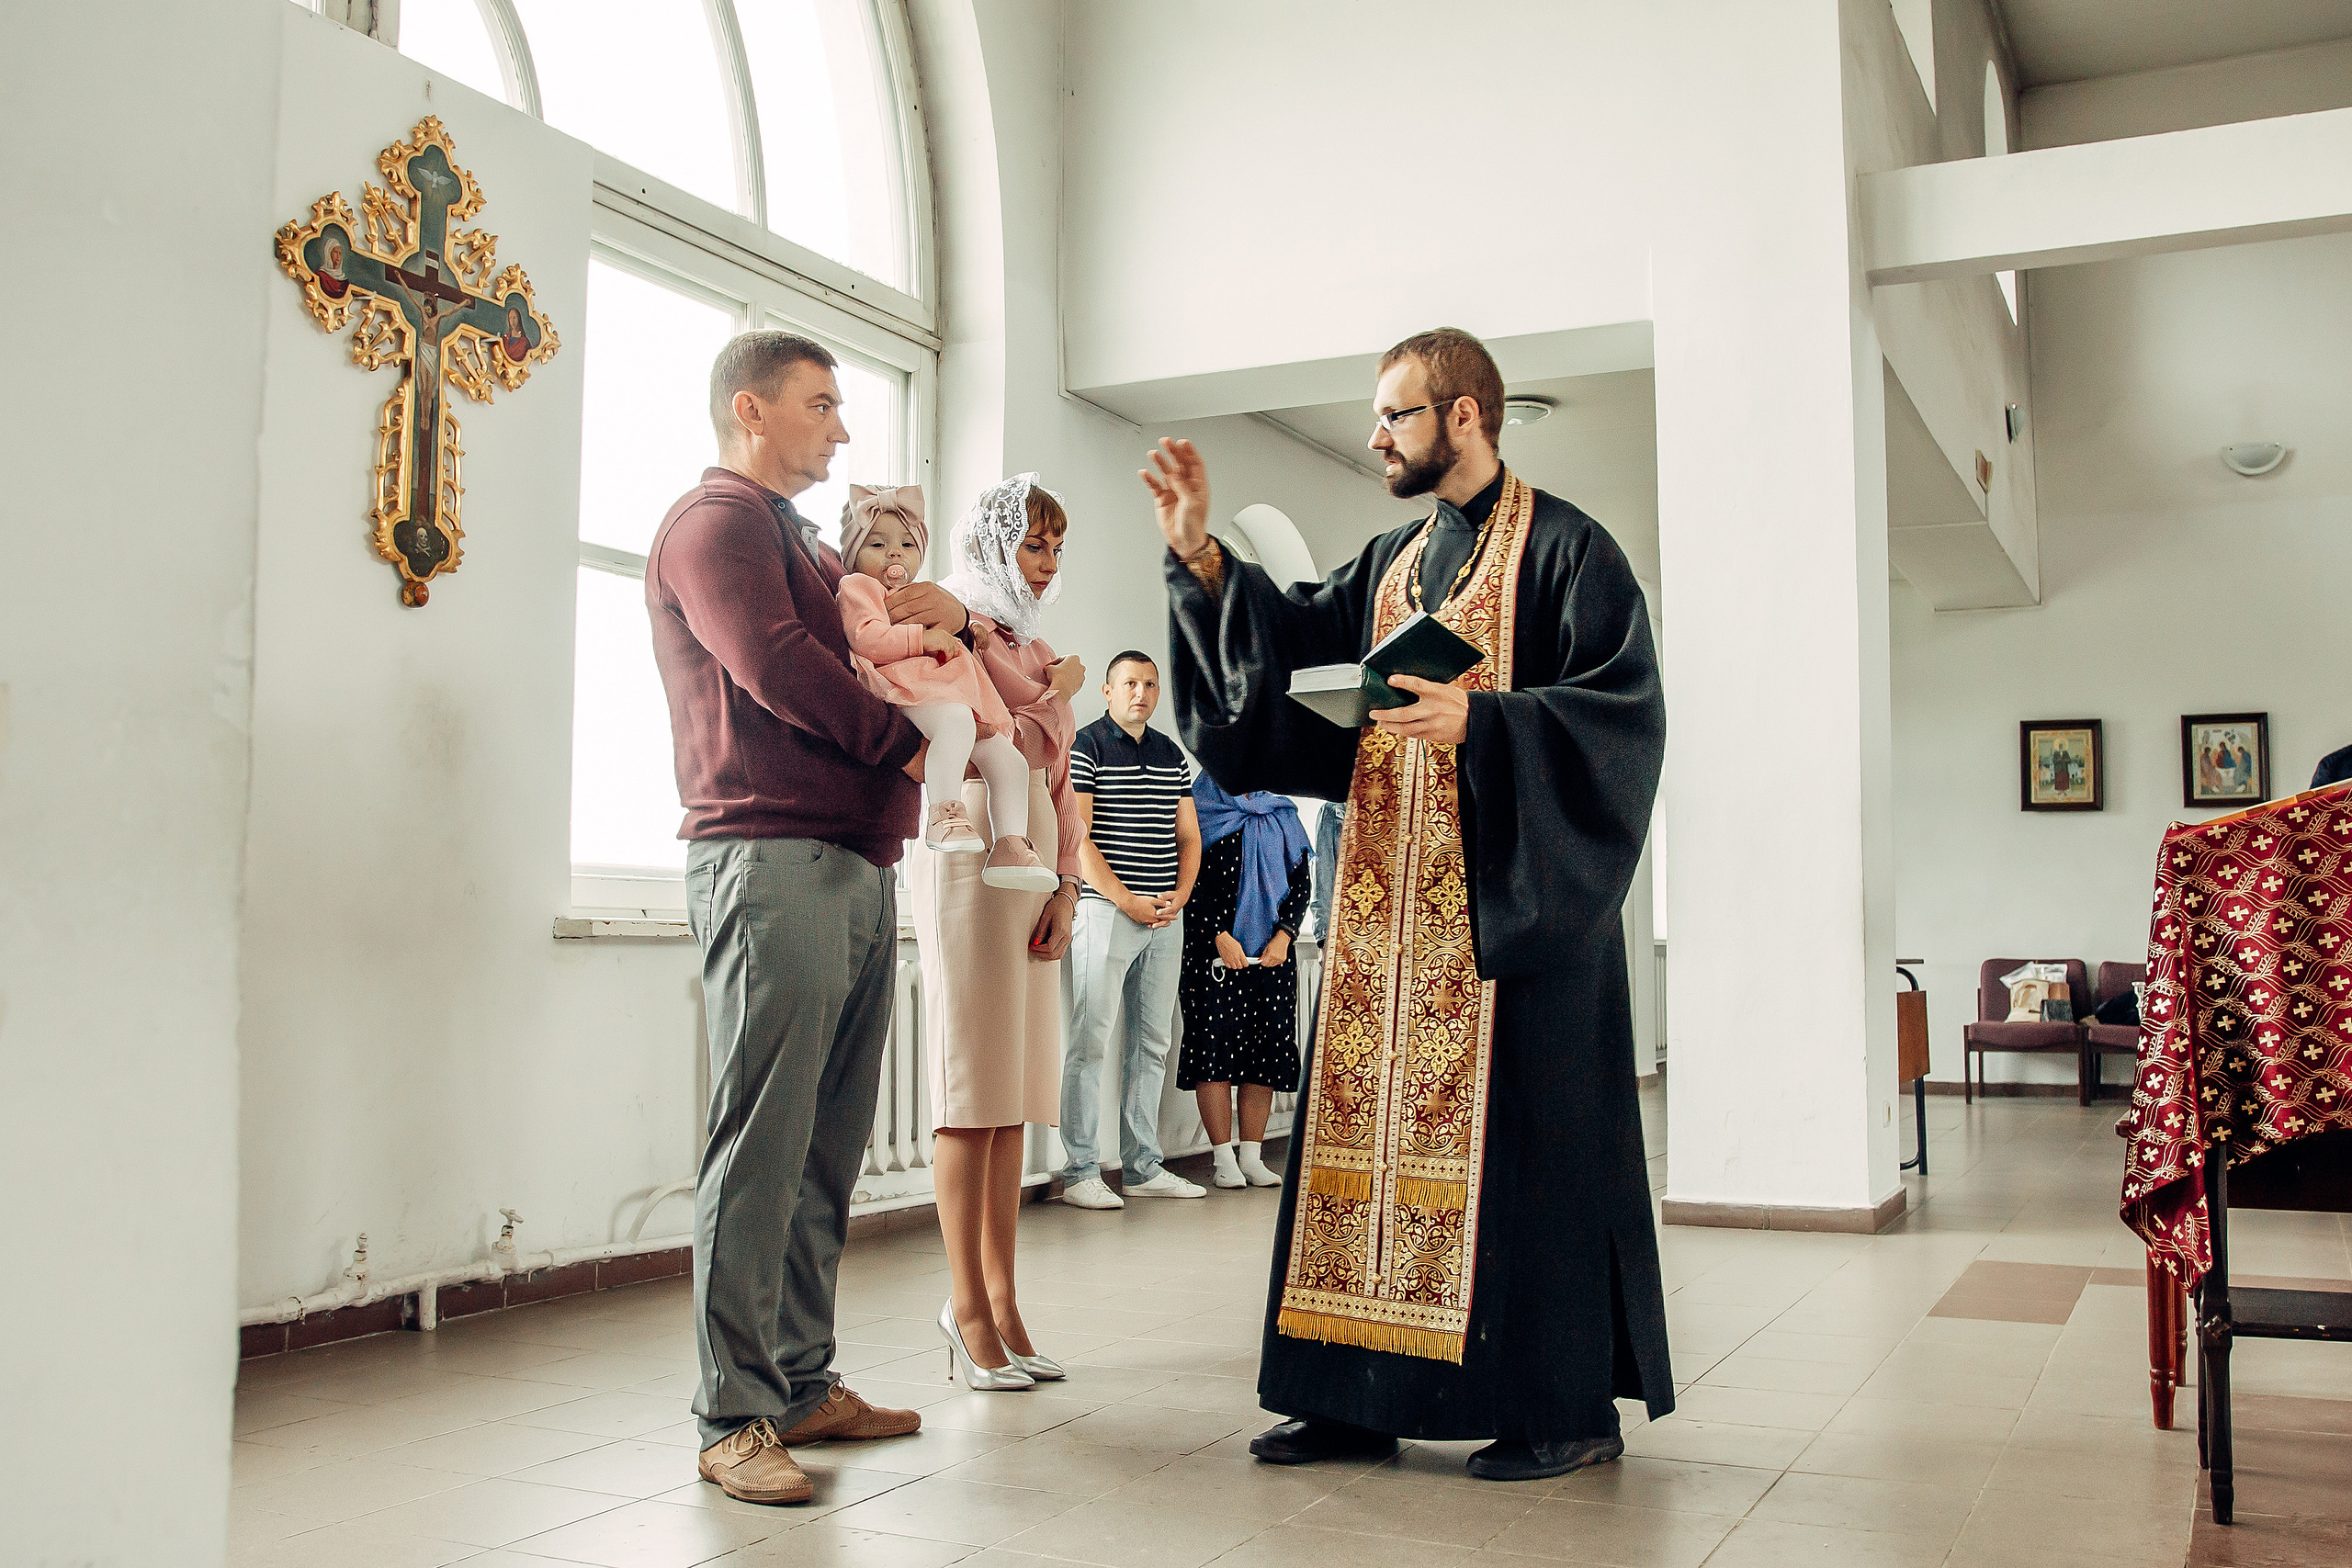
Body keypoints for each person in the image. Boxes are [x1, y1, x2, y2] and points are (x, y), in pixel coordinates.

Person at [1143, 326, 1671, 1483]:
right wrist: (1201, 564)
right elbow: (1284, 634)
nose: (1374, 434)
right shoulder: (1394, 556)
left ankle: (1560, 1411)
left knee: (1524, 1160)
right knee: (1357, 1149)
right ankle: (1350, 1397)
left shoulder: (1572, 552)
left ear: (1466, 416)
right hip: (1385, 909)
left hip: (1510, 924)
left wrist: (1486, 721)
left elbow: (1623, 715)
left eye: (1396, 414)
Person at [647, 331, 961, 1504]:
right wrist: (913, 747)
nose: (840, 429)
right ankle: (731, 1416)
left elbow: (871, 653)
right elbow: (778, 667)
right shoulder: (715, 524)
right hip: (767, 854)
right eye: (820, 406)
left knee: (827, 1139)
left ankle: (798, 1379)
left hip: (849, 857)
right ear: (751, 410)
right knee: (762, 1138)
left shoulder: (798, 541)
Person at [908, 473, 1089, 1389]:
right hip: (969, 855)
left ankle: (1008, 1304)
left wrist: (1069, 885)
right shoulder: (952, 630)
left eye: (1056, 547)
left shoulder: (1032, 644)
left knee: (1015, 1091)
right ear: (992, 544)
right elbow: (990, 722)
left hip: (1032, 866)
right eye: (1032, 544)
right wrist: (1050, 686)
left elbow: (1060, 776)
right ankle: (964, 1307)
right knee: (970, 1085)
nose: (1047, 563)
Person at [835, 483, 1055, 891]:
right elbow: (866, 638)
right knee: (954, 723)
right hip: (904, 683)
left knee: (1010, 762)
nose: (894, 554)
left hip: (944, 687)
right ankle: (943, 814)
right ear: (853, 554)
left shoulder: (923, 592)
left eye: (906, 544)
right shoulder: (858, 588)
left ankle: (1010, 845)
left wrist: (965, 629)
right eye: (878, 544)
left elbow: (945, 629)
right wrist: (922, 639)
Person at [1059, 651, 1207, 1208]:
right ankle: (1079, 1173)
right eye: (1129, 683)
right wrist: (1127, 901)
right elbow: (1078, 836)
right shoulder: (1088, 745)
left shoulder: (1171, 754)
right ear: (1106, 690)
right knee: (1090, 1039)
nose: (1140, 693)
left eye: (1149, 684)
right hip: (1105, 910)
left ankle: (1143, 1166)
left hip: (1166, 917)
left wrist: (1178, 899)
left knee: (1152, 1042)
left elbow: (1189, 838)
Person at [1177, 773, 1311, 1190]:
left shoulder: (1283, 811)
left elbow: (1301, 883)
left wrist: (1285, 935)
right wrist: (1219, 935)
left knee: (1265, 1052)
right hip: (1212, 951)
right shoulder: (1200, 805)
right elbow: (1188, 877)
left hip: (1273, 956)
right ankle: (1222, 1160)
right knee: (1212, 1049)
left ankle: (1251, 1156)